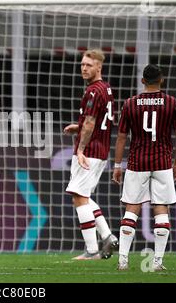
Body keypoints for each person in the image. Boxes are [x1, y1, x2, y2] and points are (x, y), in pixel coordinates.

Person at [112, 64, 176, 271]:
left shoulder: (129, 104)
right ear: (161, 79)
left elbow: (121, 137)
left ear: (142, 81)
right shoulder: (172, 103)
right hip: (162, 162)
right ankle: (157, 263)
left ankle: (123, 261)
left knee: (132, 208)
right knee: (161, 208)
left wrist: (117, 165)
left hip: (137, 162)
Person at [64, 49, 119, 260]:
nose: (84, 68)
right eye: (82, 64)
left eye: (89, 65)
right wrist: (78, 127)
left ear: (99, 67)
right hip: (100, 148)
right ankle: (107, 237)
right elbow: (96, 121)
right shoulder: (106, 89)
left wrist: (80, 150)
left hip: (90, 150)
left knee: (79, 196)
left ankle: (92, 250)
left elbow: (90, 122)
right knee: (81, 195)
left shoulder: (94, 91)